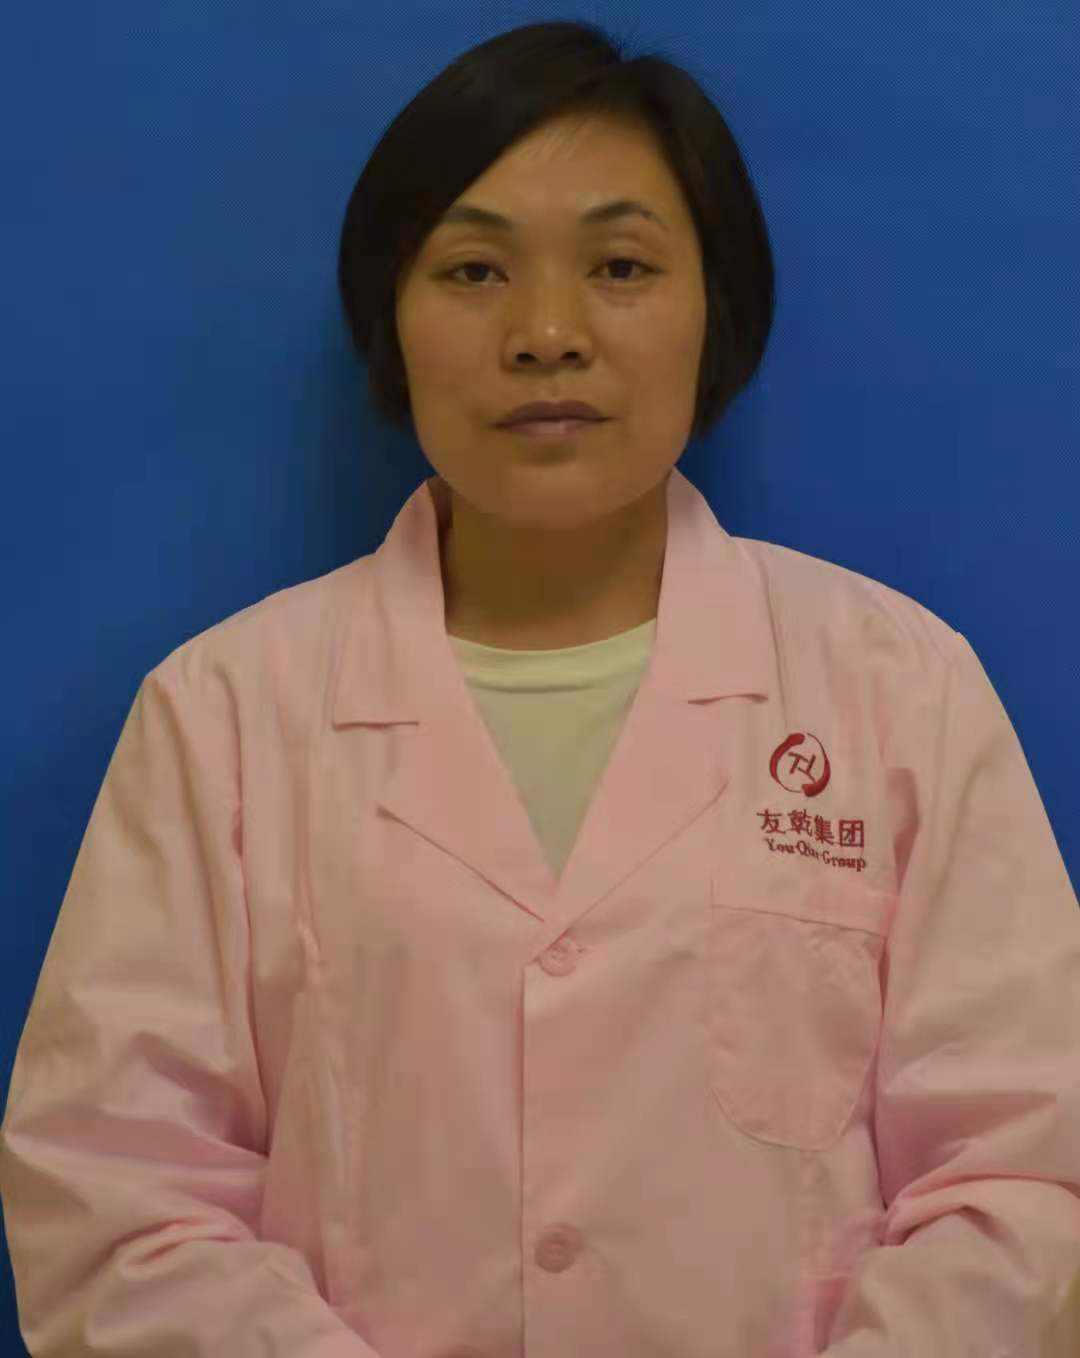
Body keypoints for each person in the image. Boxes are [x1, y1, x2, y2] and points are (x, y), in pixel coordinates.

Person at [3, 18, 1079, 1358]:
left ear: (715, 310)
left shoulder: (897, 689)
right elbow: (115, 1198)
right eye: (474, 270)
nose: (547, 334)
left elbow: (1028, 1172)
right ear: (389, 320)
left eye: (621, 267)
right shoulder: (223, 713)